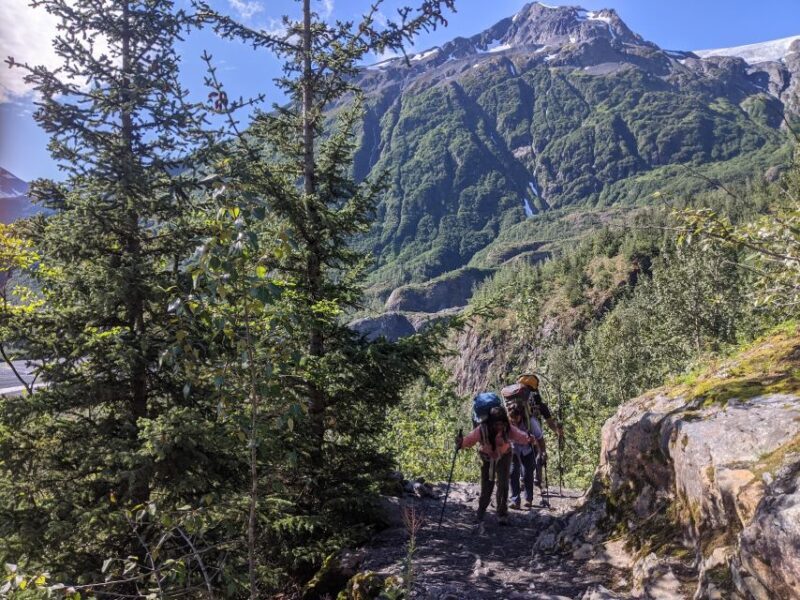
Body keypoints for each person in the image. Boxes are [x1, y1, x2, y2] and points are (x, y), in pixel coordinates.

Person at [456, 406, 543, 525]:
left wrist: (528, 439)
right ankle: (481, 512)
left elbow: (519, 435)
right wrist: (461, 443)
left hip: (504, 456)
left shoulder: (508, 428)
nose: (500, 427)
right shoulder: (482, 429)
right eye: (497, 424)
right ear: (491, 422)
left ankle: (502, 514)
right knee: (487, 486)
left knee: (503, 485)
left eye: (502, 423)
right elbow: (470, 439)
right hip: (487, 458)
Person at [508, 406, 546, 509]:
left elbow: (540, 437)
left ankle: (528, 499)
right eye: (512, 419)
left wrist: (543, 452)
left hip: (528, 450)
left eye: (516, 418)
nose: (514, 421)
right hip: (513, 450)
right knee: (512, 473)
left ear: (520, 416)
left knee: (527, 474)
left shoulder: (531, 422)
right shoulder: (507, 423)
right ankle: (515, 500)